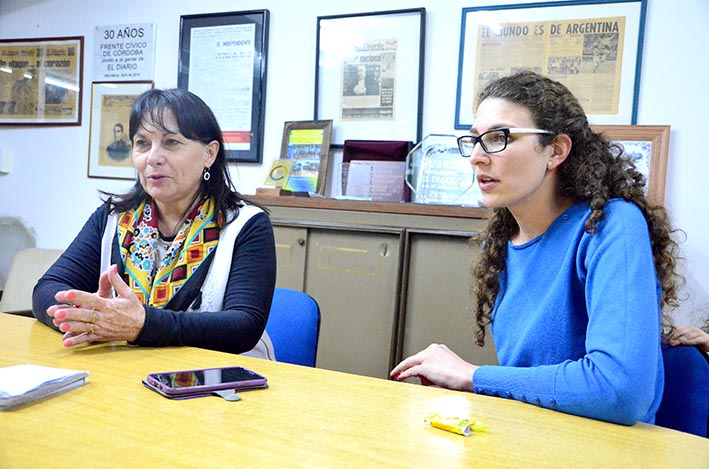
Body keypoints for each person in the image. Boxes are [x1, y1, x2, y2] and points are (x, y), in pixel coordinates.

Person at [391, 71, 682, 426]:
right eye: (473, 140)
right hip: (529, 439)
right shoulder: (504, 241)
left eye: (499, 138)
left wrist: (473, 376)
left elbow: (618, 391)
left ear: (556, 151)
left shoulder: (612, 225)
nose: (477, 157)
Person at [33, 88, 277, 357]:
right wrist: (92, 316)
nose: (153, 157)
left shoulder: (246, 225)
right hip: (130, 370)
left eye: (171, 142)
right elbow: (47, 289)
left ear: (209, 154)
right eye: (142, 143)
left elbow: (244, 326)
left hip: (218, 381)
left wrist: (142, 325)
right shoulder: (112, 218)